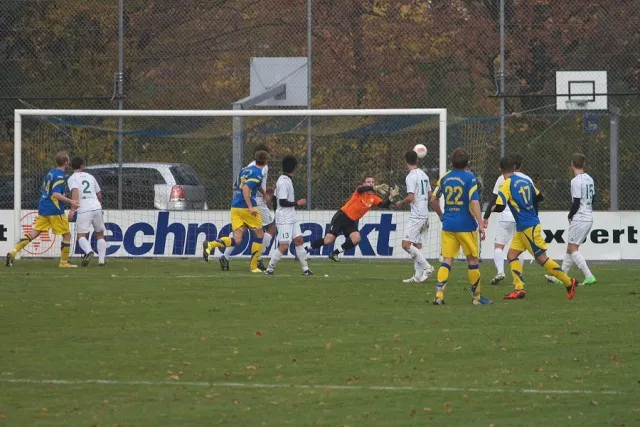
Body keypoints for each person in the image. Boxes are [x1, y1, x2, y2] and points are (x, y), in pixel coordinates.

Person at [489, 155, 578, 300]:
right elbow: (540, 197)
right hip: (524, 226)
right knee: (511, 255)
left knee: (541, 259)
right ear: (514, 168)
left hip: (527, 226)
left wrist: (492, 208)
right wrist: (528, 206)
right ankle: (519, 288)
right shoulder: (525, 181)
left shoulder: (506, 184)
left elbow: (500, 206)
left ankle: (569, 282)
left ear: (500, 170)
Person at [430, 147, 492, 305]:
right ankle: (476, 297)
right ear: (467, 162)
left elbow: (433, 199)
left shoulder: (445, 177)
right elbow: (475, 201)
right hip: (466, 225)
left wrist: (442, 215)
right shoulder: (470, 178)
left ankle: (439, 295)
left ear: (451, 162)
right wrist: (480, 223)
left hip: (449, 225)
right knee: (472, 260)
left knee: (447, 259)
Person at [6, 151, 79, 268]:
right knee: (67, 235)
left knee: (34, 233)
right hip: (54, 209)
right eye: (68, 160)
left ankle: (13, 252)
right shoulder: (60, 176)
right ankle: (63, 262)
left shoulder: (50, 173)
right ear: (66, 162)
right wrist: (71, 201)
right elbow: (55, 194)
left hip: (43, 207)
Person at [203, 150, 269, 273]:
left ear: (255, 159)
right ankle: (253, 267)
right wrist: (250, 206)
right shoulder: (258, 174)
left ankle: (211, 245)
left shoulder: (245, 170)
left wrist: (264, 194)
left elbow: (235, 186)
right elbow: (246, 188)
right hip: (246, 208)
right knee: (260, 235)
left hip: (235, 207)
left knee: (237, 240)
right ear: (266, 161)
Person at [306, 178, 397, 260]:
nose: (371, 183)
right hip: (341, 216)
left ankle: (334, 253)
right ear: (364, 183)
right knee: (328, 240)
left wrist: (391, 197)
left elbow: (384, 205)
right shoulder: (360, 191)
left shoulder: (374, 198)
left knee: (356, 238)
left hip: (351, 221)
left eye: (373, 182)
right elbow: (362, 188)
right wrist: (375, 188)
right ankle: (305, 249)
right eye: (368, 182)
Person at [219, 144, 276, 272]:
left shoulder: (248, 166)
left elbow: (235, 186)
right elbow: (254, 184)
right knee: (271, 229)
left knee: (242, 231)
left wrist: (264, 191)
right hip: (256, 203)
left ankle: (225, 257)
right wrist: (264, 194)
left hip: (246, 202)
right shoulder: (263, 167)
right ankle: (257, 259)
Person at [545, 153, 596, 286]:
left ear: (572, 165)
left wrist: (570, 215)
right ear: (583, 164)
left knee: (573, 249)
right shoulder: (590, 179)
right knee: (570, 248)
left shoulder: (575, 181)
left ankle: (589, 276)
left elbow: (576, 202)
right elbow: (593, 199)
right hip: (588, 216)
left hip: (580, 217)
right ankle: (562, 277)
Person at [482, 153, 528, 285]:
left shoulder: (502, 178)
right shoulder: (526, 179)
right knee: (518, 248)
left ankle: (500, 272)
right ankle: (518, 276)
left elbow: (494, 199)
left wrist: (486, 217)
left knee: (498, 246)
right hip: (521, 218)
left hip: (506, 217)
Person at [264, 156, 312, 276]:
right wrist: (297, 203)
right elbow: (282, 202)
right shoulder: (283, 182)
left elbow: (275, 199)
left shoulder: (285, 179)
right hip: (285, 217)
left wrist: (277, 211)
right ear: (294, 168)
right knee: (284, 245)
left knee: (299, 240)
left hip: (291, 215)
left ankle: (305, 269)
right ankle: (269, 269)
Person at [394, 150, 435, 283]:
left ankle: (427, 267)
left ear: (405, 161)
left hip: (417, 215)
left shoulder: (410, 177)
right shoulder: (424, 175)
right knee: (416, 245)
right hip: (424, 213)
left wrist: (401, 202)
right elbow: (430, 195)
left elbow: (411, 197)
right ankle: (417, 276)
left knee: (406, 244)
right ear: (417, 160)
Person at [67, 157, 108, 267]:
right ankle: (101, 261)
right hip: (97, 207)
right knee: (100, 235)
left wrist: (72, 210)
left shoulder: (72, 178)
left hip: (84, 209)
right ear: (82, 166)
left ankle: (89, 251)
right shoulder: (91, 176)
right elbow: (99, 195)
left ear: (72, 166)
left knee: (81, 235)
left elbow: (75, 192)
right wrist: (95, 204)